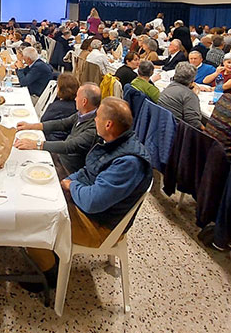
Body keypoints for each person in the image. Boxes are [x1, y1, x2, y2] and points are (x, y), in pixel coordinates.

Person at [22, 97, 151, 291]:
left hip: (101, 225)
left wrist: (71, 186)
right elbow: (87, 170)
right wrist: (67, 182)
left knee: (34, 218)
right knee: (36, 197)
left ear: (108, 124)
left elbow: (92, 202)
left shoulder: (128, 163)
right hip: (93, 210)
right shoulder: (114, 142)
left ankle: (49, 276)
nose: (94, 120)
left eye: (97, 117)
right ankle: (49, 255)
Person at [15, 83, 101, 176]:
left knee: (24, 169)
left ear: (84, 101)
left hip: (68, 169)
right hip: (60, 157)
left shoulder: (93, 128)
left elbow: (69, 146)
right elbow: (62, 123)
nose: (75, 99)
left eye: (77, 96)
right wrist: (31, 126)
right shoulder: (82, 114)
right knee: (26, 157)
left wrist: (36, 144)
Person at [158, 62, 203, 129]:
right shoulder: (189, 95)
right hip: (177, 131)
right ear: (192, 79)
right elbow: (194, 123)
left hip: (162, 126)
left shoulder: (169, 87)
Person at [40, 73, 80, 140]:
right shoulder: (78, 106)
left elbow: (43, 121)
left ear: (59, 89)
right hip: (69, 139)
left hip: (52, 140)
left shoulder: (56, 106)